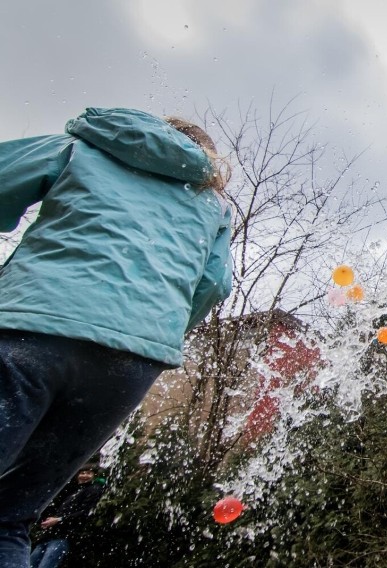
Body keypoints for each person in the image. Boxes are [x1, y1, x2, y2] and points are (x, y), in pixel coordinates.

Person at [0, 108, 233, 567]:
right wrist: (151, 329)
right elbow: (213, 287)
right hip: (130, 364)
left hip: (38, 326)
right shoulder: (211, 207)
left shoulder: (82, 150)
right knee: (9, 518)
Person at [29, 464, 105, 568]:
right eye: (82, 473)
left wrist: (59, 520)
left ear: (94, 476)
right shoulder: (74, 491)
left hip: (63, 537)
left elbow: (84, 513)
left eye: (88, 473)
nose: (84, 475)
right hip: (48, 536)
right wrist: (48, 522)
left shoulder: (94, 489)